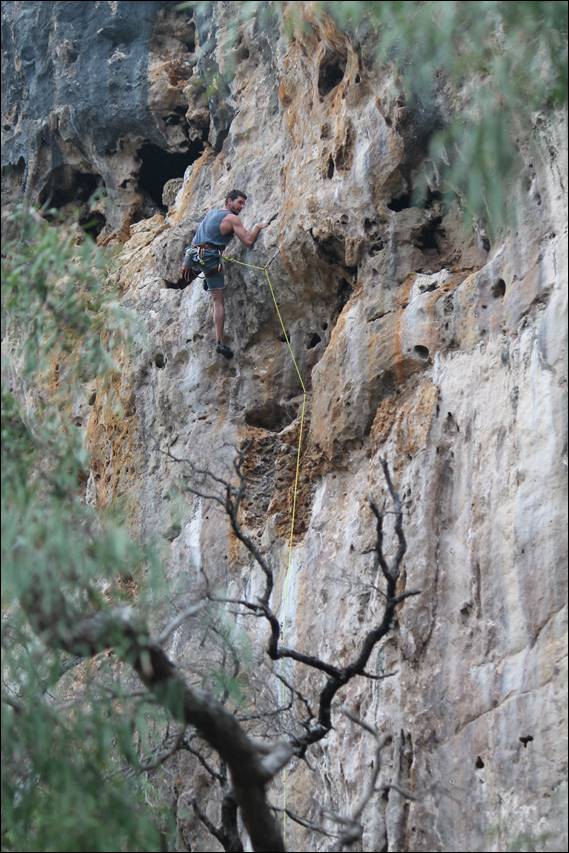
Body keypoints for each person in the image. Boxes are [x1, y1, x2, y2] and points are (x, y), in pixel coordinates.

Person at [181, 190, 271, 359]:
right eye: (239, 202)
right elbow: (248, 241)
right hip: (210, 258)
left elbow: (195, 240)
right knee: (218, 300)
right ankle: (220, 342)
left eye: (243, 204)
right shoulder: (232, 219)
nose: (242, 207)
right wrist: (258, 227)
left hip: (195, 254)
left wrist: (188, 260)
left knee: (210, 273)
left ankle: (207, 278)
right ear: (229, 201)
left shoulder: (211, 213)